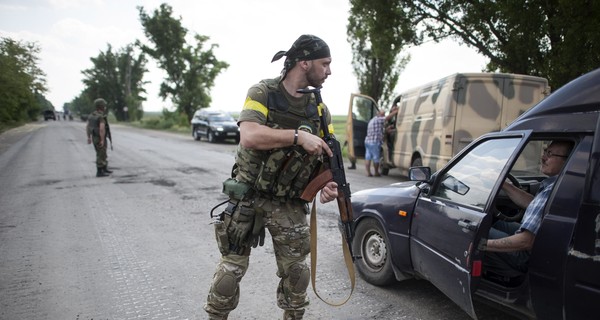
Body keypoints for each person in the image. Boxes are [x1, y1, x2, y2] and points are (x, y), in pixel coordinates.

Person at [204, 34, 339, 320]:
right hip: (248, 197)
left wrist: (327, 183)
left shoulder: (319, 109)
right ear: (304, 62)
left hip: (289, 203)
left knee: (297, 274)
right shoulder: (263, 92)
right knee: (230, 272)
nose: (329, 71)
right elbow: (250, 136)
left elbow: (325, 156)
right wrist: (296, 136)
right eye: (325, 63)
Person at [479, 140, 574, 276]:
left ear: (568, 161)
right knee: (494, 222)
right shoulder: (560, 184)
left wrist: (482, 244)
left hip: (529, 256)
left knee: (475, 232)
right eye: (545, 151)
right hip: (543, 244)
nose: (543, 157)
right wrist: (504, 184)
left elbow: (526, 241)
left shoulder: (554, 189)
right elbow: (534, 204)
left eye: (550, 154)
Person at [364, 108, 397, 177]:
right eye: (382, 114)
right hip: (374, 142)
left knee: (368, 157)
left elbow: (379, 131)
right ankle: (376, 172)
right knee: (376, 158)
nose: (383, 115)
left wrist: (387, 129)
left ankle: (368, 173)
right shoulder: (379, 119)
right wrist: (395, 112)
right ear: (378, 114)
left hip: (367, 141)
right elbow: (387, 118)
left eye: (384, 114)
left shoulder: (372, 120)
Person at [86, 98, 112, 177]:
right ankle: (100, 171)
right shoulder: (101, 116)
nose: (105, 107)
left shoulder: (92, 116)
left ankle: (104, 168)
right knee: (100, 153)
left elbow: (88, 126)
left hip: (94, 137)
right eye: (104, 106)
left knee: (102, 153)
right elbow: (101, 129)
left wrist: (89, 137)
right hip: (100, 137)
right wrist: (102, 140)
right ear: (102, 106)